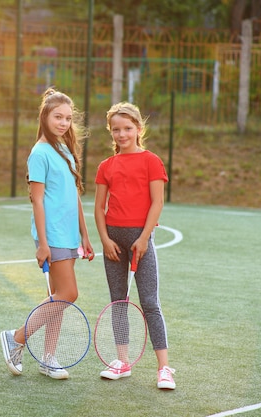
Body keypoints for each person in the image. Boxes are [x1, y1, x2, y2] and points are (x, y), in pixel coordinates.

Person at [0, 88, 95, 380]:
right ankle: (15, 337)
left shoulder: (64, 150)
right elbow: (37, 200)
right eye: (58, 117)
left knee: (57, 298)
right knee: (68, 293)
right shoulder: (39, 153)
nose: (64, 123)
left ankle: (48, 358)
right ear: (45, 117)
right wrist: (42, 243)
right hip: (51, 235)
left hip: (69, 235)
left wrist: (85, 235)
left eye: (68, 118)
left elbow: (74, 196)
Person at [93, 102, 176, 390]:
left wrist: (143, 237)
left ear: (139, 129)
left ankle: (164, 368)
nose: (122, 134)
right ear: (111, 132)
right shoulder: (106, 166)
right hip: (113, 241)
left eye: (127, 128)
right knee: (118, 301)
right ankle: (122, 362)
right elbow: (98, 208)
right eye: (116, 129)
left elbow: (158, 202)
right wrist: (104, 240)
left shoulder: (151, 161)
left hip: (141, 239)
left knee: (150, 303)